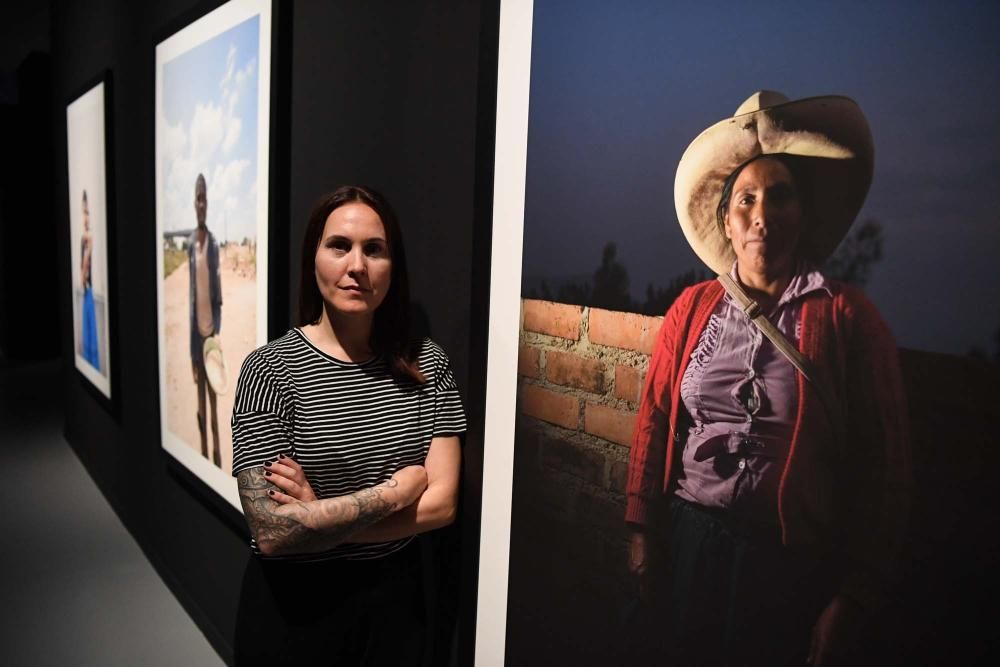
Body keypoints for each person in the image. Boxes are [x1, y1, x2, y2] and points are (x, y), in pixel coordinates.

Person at [625, 91, 910, 666]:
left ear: (802, 216)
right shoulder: (692, 308)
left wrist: (854, 596)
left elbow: (887, 463)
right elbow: (655, 418)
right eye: (746, 200)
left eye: (780, 196)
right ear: (727, 223)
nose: (762, 214)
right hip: (689, 541)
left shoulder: (846, 316)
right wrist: (640, 533)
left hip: (790, 567)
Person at [231, 185, 466, 665]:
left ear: (392, 266)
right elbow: (272, 530)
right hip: (293, 610)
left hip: (394, 609)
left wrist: (317, 519)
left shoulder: (428, 365)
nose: (356, 265)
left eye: (374, 250)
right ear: (313, 257)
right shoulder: (270, 370)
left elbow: (442, 505)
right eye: (339, 245)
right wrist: (397, 492)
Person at [187, 173, 222, 467]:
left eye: (204, 198)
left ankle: (217, 456)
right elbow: (190, 298)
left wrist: (217, 335)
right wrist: (190, 348)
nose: (201, 204)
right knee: (199, 401)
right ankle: (202, 454)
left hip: (210, 335)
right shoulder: (189, 245)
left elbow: (218, 295)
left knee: (213, 400)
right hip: (195, 337)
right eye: (197, 198)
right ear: (193, 202)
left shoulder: (213, 244)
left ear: (208, 203)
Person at [79, 189, 100, 370]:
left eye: (87, 212)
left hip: (91, 292)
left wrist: (89, 249)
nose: (85, 217)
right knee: (86, 337)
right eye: (83, 212)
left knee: (92, 339)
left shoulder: (90, 239)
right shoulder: (84, 240)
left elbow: (85, 271)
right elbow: (81, 274)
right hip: (86, 291)